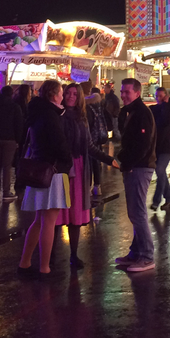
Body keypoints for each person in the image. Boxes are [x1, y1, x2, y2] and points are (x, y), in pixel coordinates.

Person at [17, 80, 73, 278]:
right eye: (60, 93)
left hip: (38, 168)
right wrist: (68, 159)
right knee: (49, 221)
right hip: (53, 171)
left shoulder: (36, 113)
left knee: (39, 220)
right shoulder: (51, 115)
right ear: (53, 95)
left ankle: (24, 263)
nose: (62, 97)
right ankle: (44, 268)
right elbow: (59, 144)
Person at [59, 83, 118, 268]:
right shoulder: (58, 116)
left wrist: (110, 160)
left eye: (74, 94)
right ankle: (49, 257)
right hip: (60, 169)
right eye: (68, 93)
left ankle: (73, 255)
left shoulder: (82, 118)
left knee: (75, 214)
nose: (70, 96)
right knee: (56, 213)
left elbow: (89, 146)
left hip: (78, 168)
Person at [112, 78, 158, 272]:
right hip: (134, 166)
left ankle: (147, 255)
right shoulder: (130, 112)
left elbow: (143, 144)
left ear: (137, 93)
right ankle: (136, 252)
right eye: (122, 91)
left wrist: (127, 163)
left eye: (127, 92)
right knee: (134, 211)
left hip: (140, 167)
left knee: (138, 212)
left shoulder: (141, 113)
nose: (123, 95)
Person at [150, 86, 170, 212]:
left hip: (167, 146)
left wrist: (166, 104)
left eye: (160, 96)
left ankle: (156, 201)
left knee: (160, 169)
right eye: (156, 96)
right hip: (156, 146)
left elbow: (164, 121)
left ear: (166, 96)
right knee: (161, 173)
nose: (158, 98)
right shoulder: (154, 109)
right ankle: (169, 199)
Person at [85, 85, 108, 198]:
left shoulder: (87, 107)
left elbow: (88, 124)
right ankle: (97, 186)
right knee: (96, 162)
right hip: (97, 137)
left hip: (90, 138)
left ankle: (89, 187)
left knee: (89, 163)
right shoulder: (98, 105)